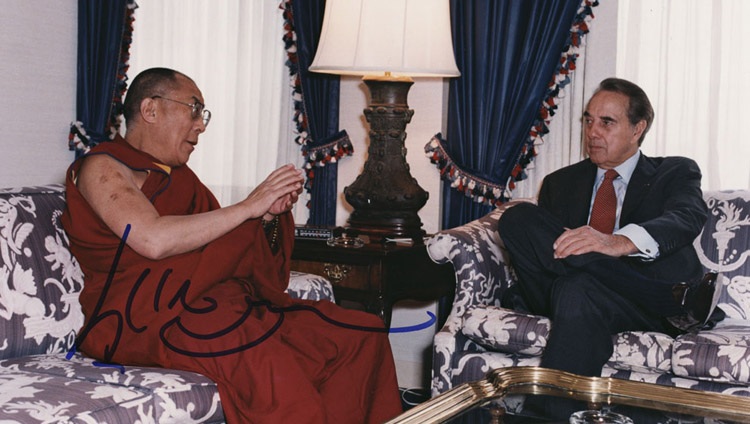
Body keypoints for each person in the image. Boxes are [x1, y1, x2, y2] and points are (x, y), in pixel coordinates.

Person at [61, 67, 402, 423]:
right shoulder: (101, 167)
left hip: (209, 301)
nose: (201, 125)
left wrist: (265, 217)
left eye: (203, 114)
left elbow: (220, 244)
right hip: (146, 319)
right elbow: (153, 239)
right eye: (194, 109)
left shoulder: (180, 178)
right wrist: (247, 208)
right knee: (275, 378)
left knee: (359, 334)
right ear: (151, 109)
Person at [497, 78, 719, 419]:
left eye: (607, 122)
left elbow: (686, 216)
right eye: (588, 120)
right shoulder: (560, 183)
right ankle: (668, 297)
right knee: (518, 219)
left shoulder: (674, 171)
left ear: (637, 128)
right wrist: (596, 254)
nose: (593, 132)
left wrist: (618, 242)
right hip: (602, 295)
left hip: (633, 307)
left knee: (577, 288)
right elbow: (551, 260)